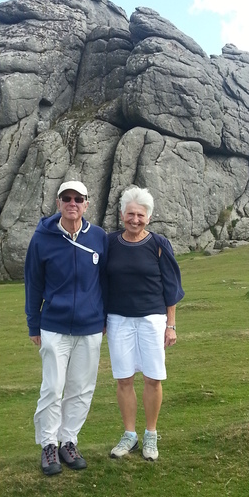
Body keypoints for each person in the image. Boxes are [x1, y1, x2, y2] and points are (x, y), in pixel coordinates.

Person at [25, 180, 108, 476]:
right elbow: (33, 284)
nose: (72, 203)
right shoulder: (42, 239)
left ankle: (68, 441)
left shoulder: (98, 237)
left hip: (90, 326)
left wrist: (104, 319)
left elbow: (105, 282)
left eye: (78, 199)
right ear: (59, 203)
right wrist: (33, 323)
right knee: (52, 387)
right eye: (66, 198)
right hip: (54, 325)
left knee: (82, 387)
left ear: (87, 204)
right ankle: (48, 444)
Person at [106, 187, 184, 462]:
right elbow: (102, 281)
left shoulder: (159, 244)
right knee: (124, 378)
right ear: (122, 215)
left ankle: (150, 434)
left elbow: (171, 287)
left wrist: (171, 325)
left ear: (148, 217)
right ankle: (130, 435)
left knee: (153, 378)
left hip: (152, 319)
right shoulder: (110, 242)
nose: (135, 219)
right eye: (130, 214)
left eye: (140, 215)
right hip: (118, 319)